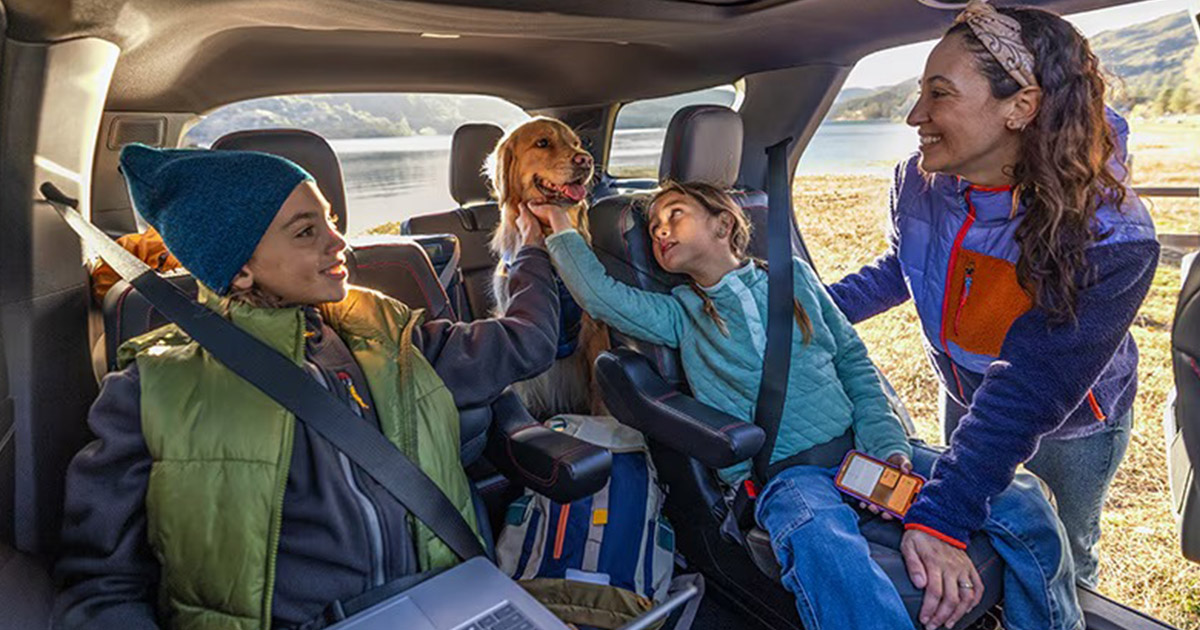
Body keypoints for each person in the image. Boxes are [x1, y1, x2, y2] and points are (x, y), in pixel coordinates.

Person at [527, 180, 1080, 630]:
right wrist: (557, 225)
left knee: (1023, 497)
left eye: (675, 213)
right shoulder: (680, 313)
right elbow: (600, 294)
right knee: (824, 545)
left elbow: (854, 364)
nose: (662, 228)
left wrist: (887, 442)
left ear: (724, 224)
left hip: (863, 451)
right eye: (653, 227)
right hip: (787, 477)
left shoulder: (795, 284)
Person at [54, 143, 560, 629]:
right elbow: (103, 586)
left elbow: (526, 344)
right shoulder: (151, 389)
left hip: (453, 601)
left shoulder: (388, 333)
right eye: (304, 232)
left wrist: (531, 249)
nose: (338, 242)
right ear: (241, 268)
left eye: (332, 222)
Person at [827, 0, 1158, 592]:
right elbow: (905, 267)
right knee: (984, 528)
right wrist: (806, 311)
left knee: (1059, 551)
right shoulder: (919, 180)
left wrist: (941, 516)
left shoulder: (1114, 234)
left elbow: (1033, 384)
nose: (914, 116)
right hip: (966, 393)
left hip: (1073, 420)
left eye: (939, 93)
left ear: (1020, 107)